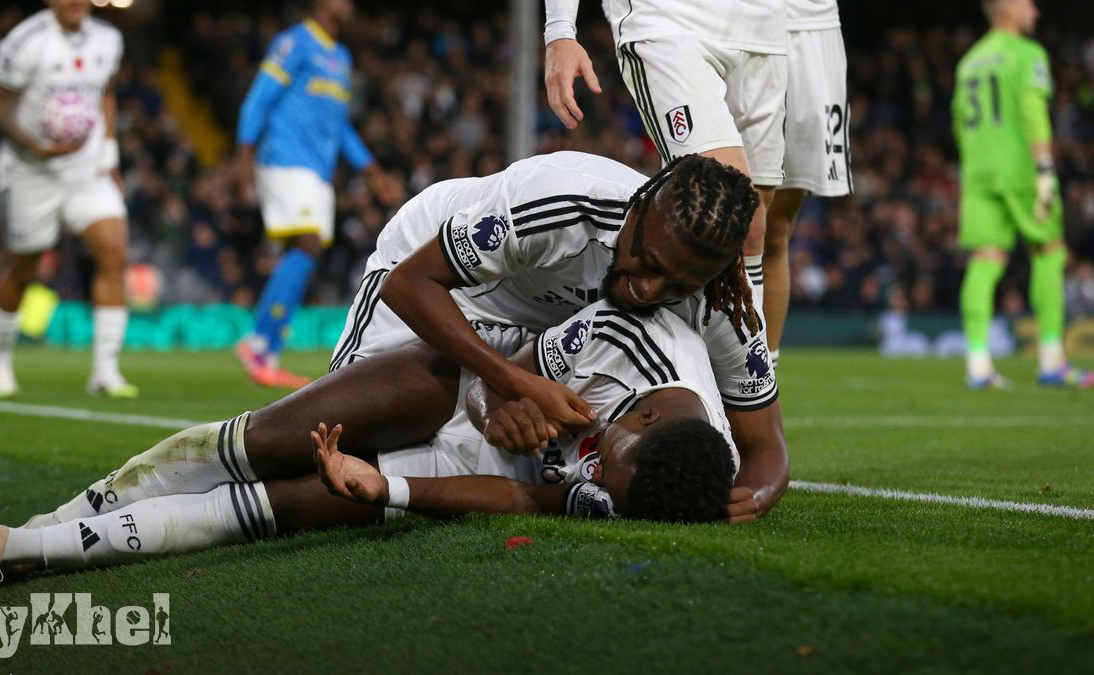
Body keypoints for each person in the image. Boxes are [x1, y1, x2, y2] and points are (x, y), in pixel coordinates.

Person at [0, 300, 746, 602]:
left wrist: (387, 489)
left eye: (603, 487)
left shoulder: (660, 482)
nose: (589, 472)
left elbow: (532, 496)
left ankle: (14, 546)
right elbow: (506, 373)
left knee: (286, 505)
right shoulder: (621, 340)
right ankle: (50, 520)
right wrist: (504, 405)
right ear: (639, 417)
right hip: (462, 375)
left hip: (486, 466)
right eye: (603, 459)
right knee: (264, 441)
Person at [338, 151, 788, 517]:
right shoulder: (564, 201)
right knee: (353, 434)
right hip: (448, 285)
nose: (649, 291)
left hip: (544, 330)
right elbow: (409, 284)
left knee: (371, 485)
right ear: (637, 211)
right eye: (649, 263)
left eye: (678, 286)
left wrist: (750, 497)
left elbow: (767, 445)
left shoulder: (724, 304)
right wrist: (513, 382)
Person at [542, 0, 787, 316]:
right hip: (669, 19)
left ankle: (749, 350)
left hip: (764, 28)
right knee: (724, 216)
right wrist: (560, 29)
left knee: (754, 229)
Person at [233, 0, 401, 388]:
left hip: (317, 171)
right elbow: (260, 97)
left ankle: (262, 344)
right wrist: (244, 152)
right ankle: (261, 345)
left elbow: (340, 127)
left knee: (304, 252)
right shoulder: (295, 43)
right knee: (307, 244)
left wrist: (373, 172)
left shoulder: (340, 57)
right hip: (285, 158)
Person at [0, 0, 136, 398]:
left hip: (86, 170)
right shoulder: (25, 42)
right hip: (31, 172)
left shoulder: (108, 39)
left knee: (114, 253)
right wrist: (34, 146)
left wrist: (109, 154)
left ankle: (105, 372)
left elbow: (106, 93)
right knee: (24, 268)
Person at [953, 0, 1093, 388]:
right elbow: (1032, 111)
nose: (1035, 11)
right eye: (1028, 3)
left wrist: (976, 165)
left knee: (984, 261)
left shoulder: (970, 61)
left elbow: (959, 122)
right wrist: (1045, 169)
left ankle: (977, 365)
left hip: (978, 172)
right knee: (1049, 252)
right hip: (1019, 168)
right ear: (1008, 9)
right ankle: (1052, 360)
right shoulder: (1026, 53)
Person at [762, 0, 851, 367]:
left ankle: (764, 375)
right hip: (724, 23)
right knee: (725, 225)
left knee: (774, 230)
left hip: (810, 30)